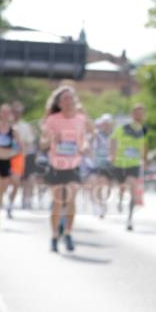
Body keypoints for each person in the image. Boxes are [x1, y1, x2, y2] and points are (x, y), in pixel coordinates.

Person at [40, 86, 88, 252]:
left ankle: (68, 233)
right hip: (56, 165)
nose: (69, 101)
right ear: (59, 103)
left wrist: (84, 147)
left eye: (71, 98)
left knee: (72, 200)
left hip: (74, 165)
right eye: (65, 99)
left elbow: (83, 140)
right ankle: (54, 235)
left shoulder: (81, 119)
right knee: (59, 201)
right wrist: (52, 138)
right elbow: (43, 144)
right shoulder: (52, 119)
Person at [110, 105, 147, 231]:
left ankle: (130, 218)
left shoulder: (143, 129)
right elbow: (113, 139)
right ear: (132, 114)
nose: (139, 115)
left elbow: (143, 145)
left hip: (134, 164)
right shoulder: (124, 128)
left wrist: (144, 159)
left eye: (141, 113)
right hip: (120, 163)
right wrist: (113, 155)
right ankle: (120, 199)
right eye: (137, 113)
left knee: (133, 188)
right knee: (122, 187)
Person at [0, 104, 21, 228]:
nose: (5, 114)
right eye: (3, 112)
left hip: (6, 162)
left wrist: (12, 153)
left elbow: (20, 147)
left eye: (7, 112)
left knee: (1, 191)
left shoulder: (13, 131)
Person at [90, 114, 115, 218]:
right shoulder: (97, 134)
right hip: (98, 163)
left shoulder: (114, 134)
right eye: (104, 124)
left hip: (110, 163)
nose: (106, 126)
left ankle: (104, 202)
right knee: (99, 184)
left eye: (108, 124)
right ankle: (101, 205)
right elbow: (91, 144)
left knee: (109, 185)